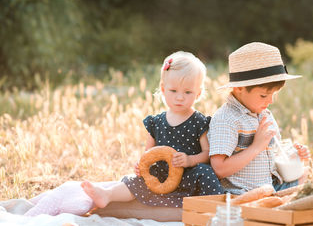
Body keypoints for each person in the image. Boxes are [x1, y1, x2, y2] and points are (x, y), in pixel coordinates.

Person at [81, 51, 224, 208]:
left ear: (198, 93)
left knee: (205, 173)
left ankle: (216, 205)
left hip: (188, 176)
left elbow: (207, 154)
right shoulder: (156, 122)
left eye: (188, 92)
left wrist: (189, 160)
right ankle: (107, 194)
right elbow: (148, 155)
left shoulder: (199, 121)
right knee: (136, 181)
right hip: (161, 175)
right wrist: (140, 165)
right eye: (173, 91)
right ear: (163, 89)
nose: (180, 97)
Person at [208, 42, 313, 194]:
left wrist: (294, 156)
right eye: (264, 95)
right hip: (246, 194)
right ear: (239, 88)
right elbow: (219, 169)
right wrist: (256, 147)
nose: (270, 101)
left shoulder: (264, 114)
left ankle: (286, 199)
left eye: (274, 94)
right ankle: (286, 203)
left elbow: (273, 157)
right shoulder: (226, 119)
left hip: (273, 186)